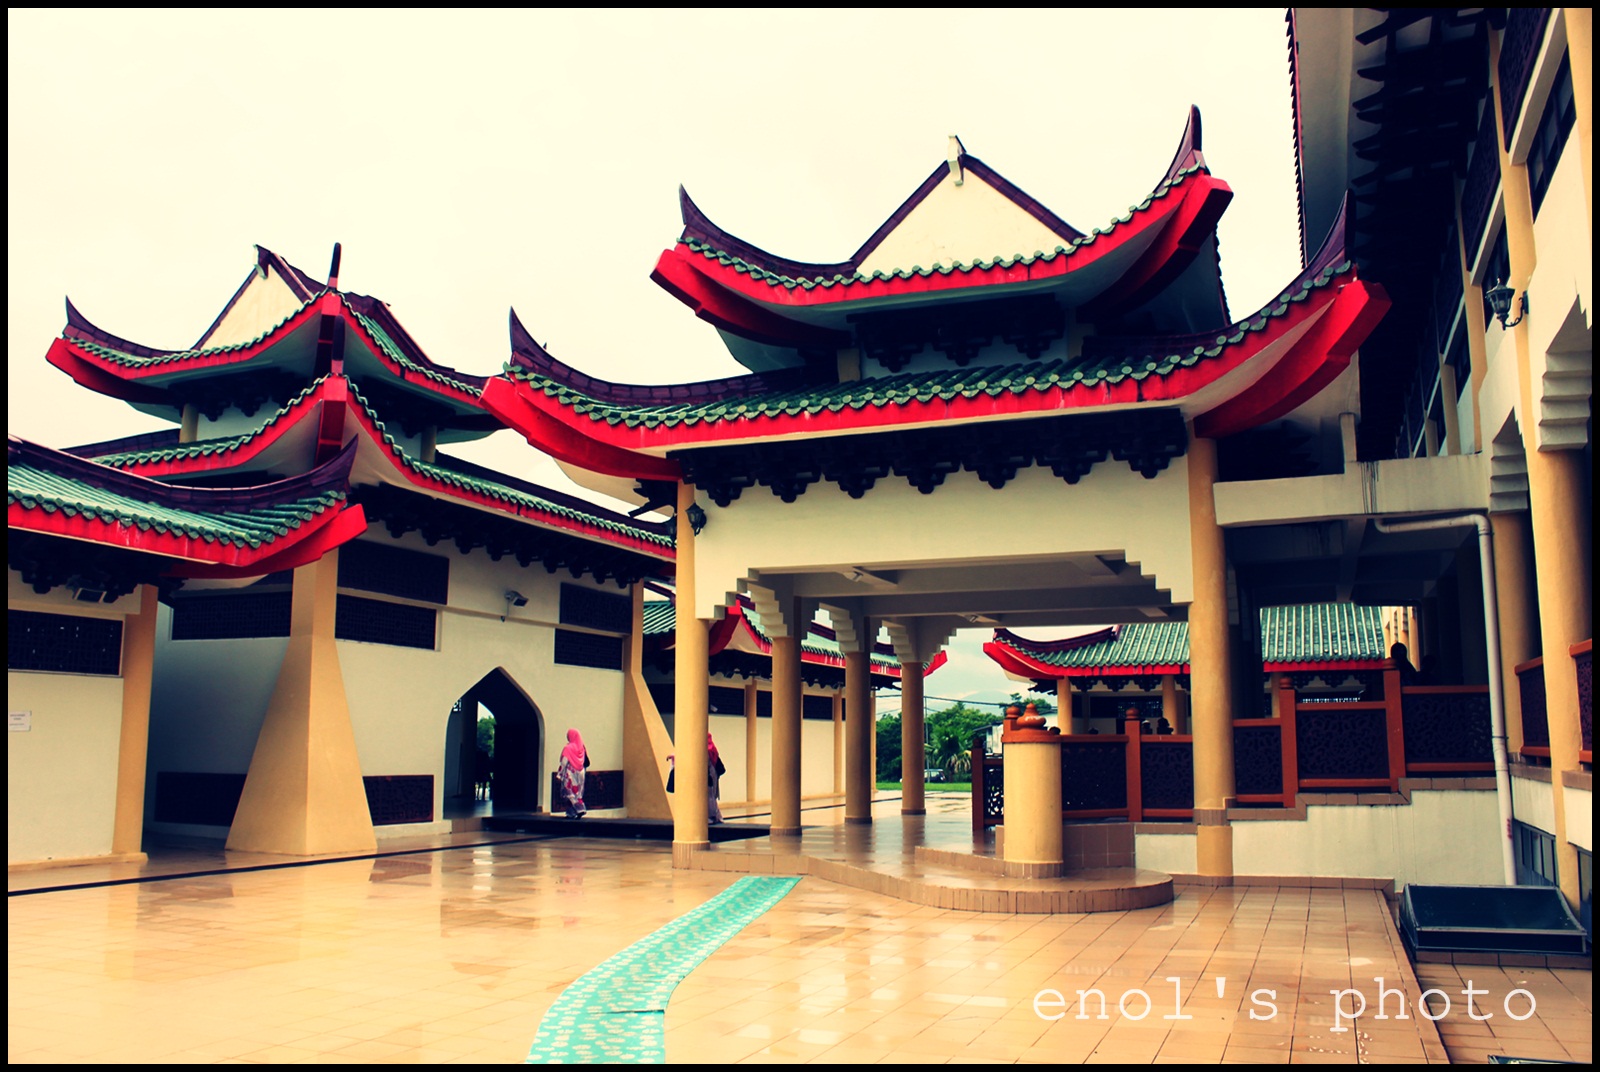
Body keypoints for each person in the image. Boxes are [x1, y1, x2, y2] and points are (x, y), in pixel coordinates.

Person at [557, 728, 589, 819]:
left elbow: (564, 762)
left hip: (570, 773)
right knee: (577, 793)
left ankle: (580, 809)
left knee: (569, 793)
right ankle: (571, 813)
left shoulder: (568, 748)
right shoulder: (581, 748)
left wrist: (559, 773)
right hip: (580, 772)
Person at [707, 733, 726, 825]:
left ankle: (711, 816)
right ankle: (717, 816)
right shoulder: (712, 748)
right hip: (713, 774)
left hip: (708, 774)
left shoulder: (706, 749)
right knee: (712, 795)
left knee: (709, 796)